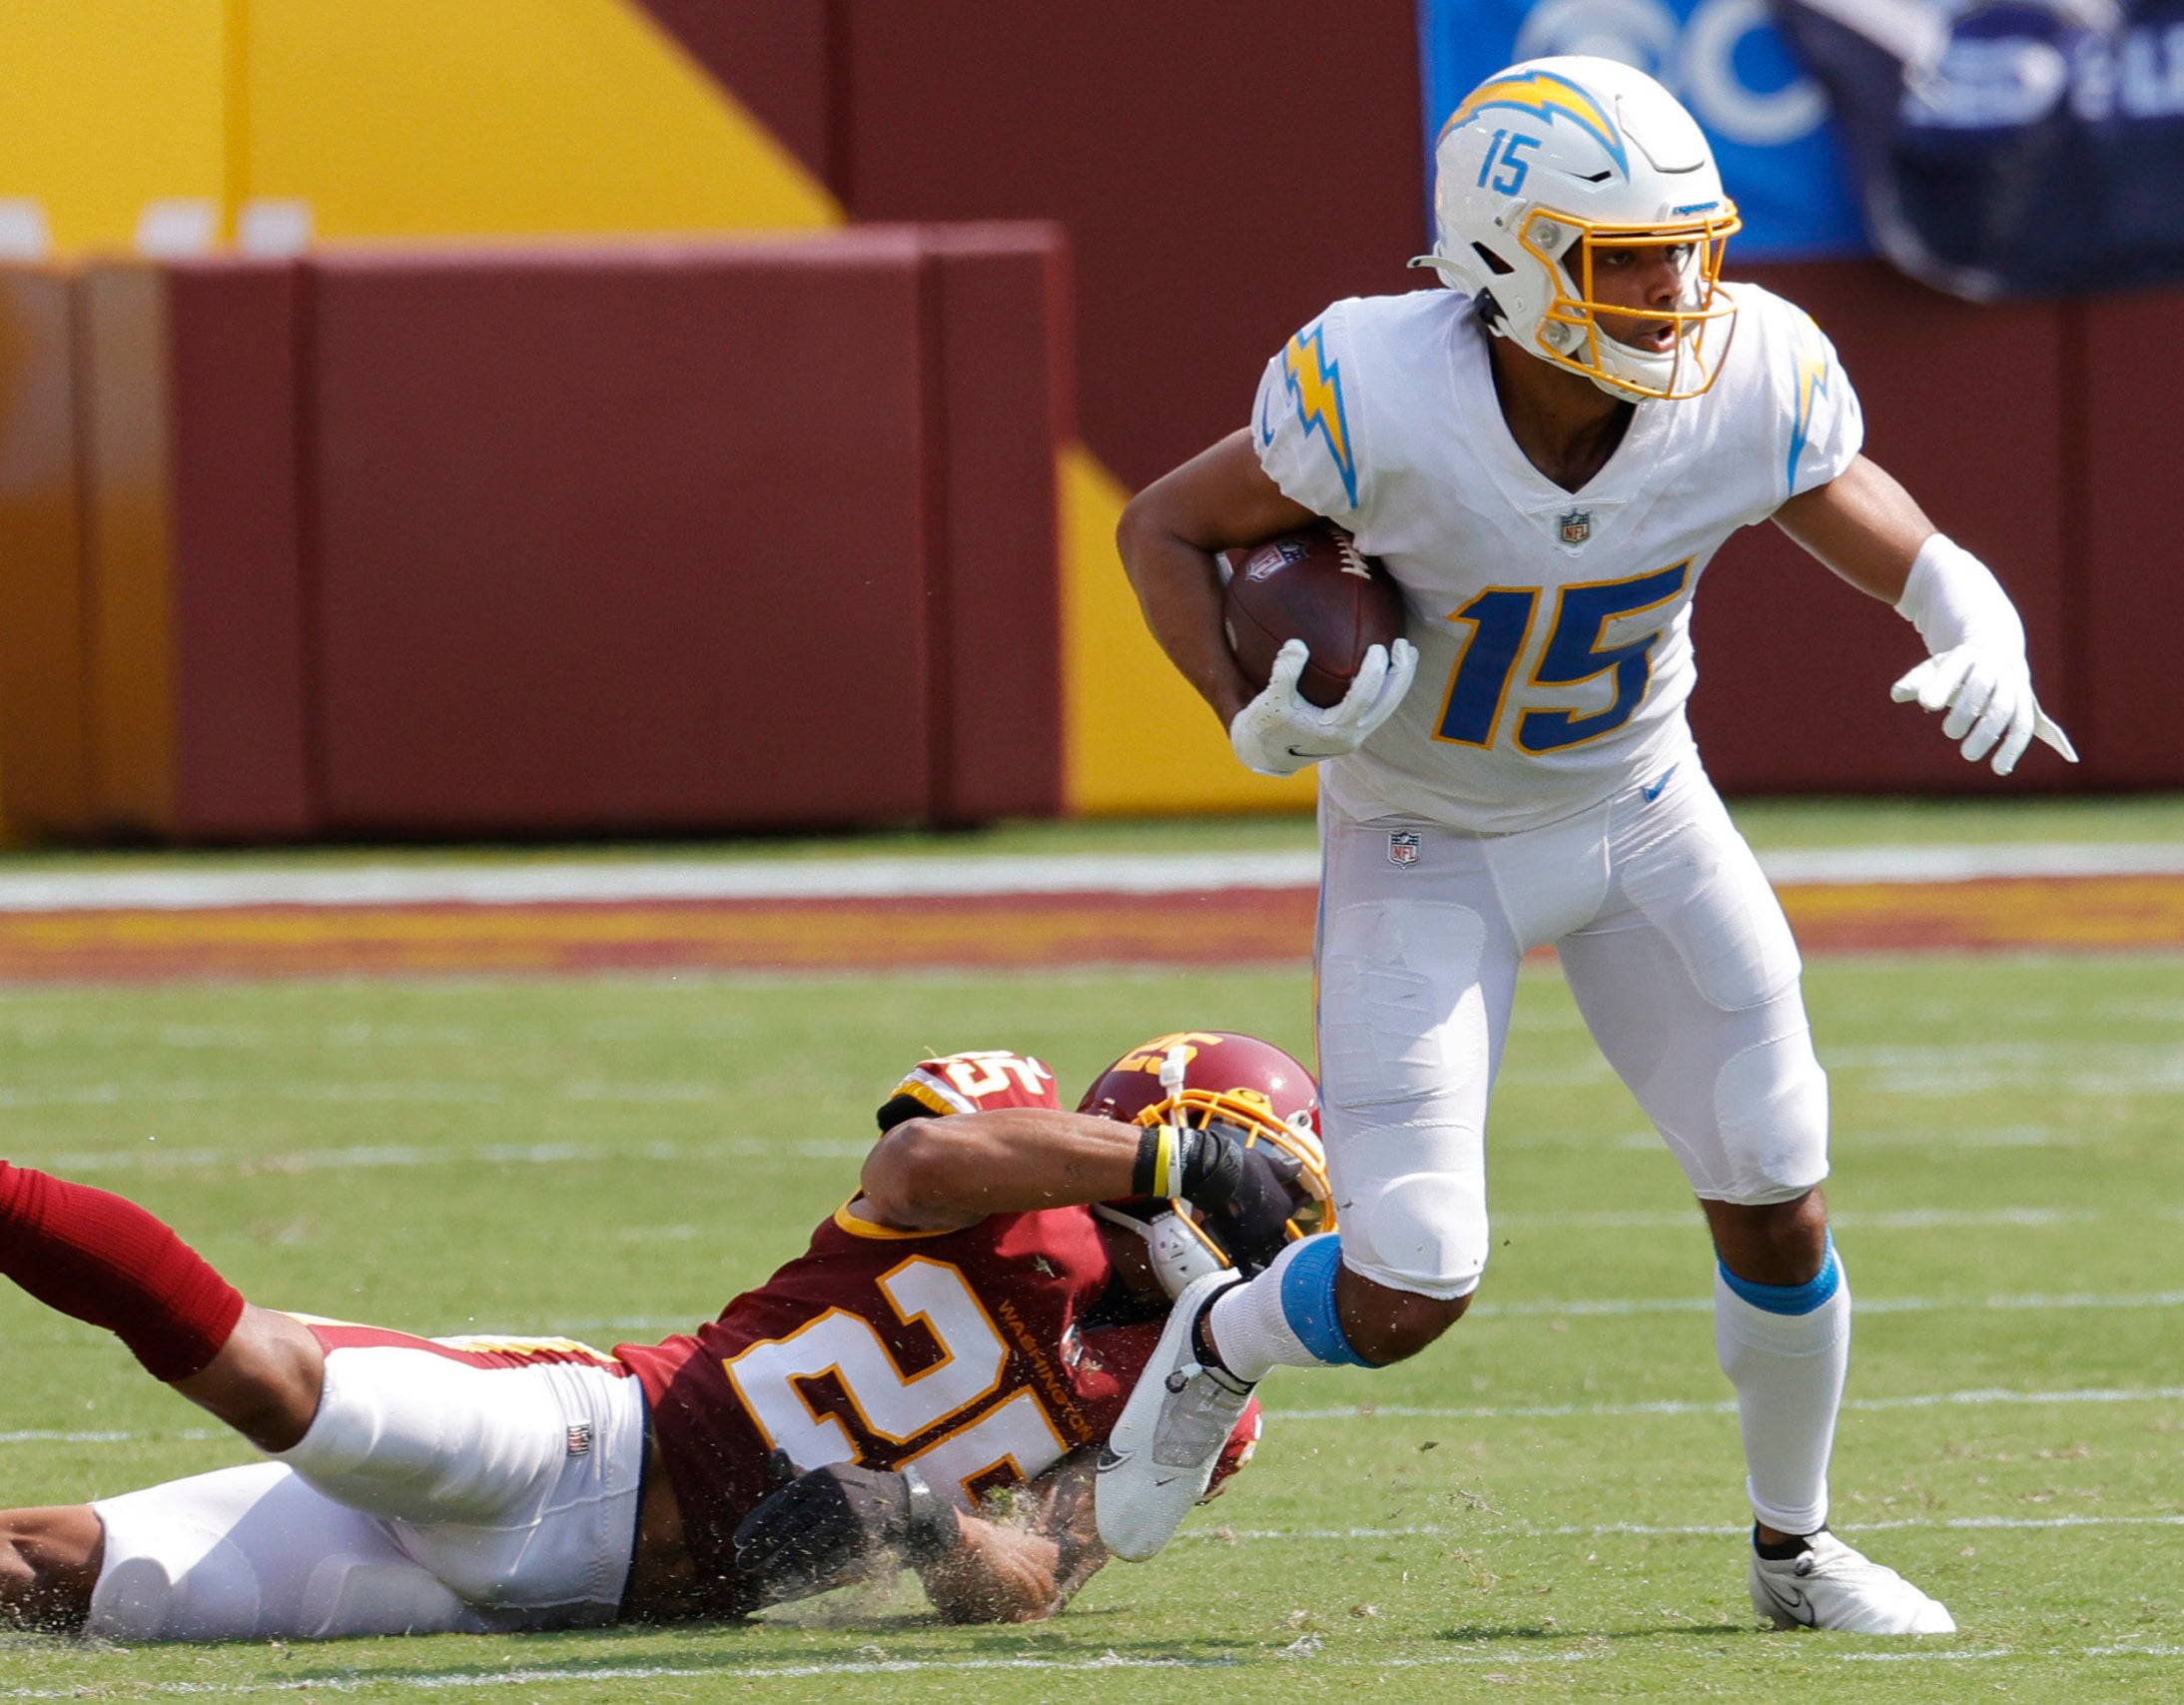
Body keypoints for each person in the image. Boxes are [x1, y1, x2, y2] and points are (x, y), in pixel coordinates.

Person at [1102, 55, 2077, 1634]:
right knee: (1412, 1274)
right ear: (1503, 258)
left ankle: (1795, 1549)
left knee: (1778, 1177)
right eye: (1629, 261)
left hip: (1642, 805)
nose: (1679, 292)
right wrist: (1240, 708)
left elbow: (1855, 503)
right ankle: (1214, 1343)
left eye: (1692, 252)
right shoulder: (1377, 388)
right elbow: (1163, 526)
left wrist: (1969, 603)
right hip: (1424, 835)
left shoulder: (1748, 372)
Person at [0, 1036, 1327, 1638]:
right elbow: (916, 1159)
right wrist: (1166, 1158)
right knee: (275, 1379)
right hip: (578, 1449)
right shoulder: (1018, 1163)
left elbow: (1040, 1579)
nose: (1271, 1237)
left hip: (584, 1610)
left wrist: (926, 1525)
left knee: (45, 1575)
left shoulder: (1201, 1403)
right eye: (1260, 1192)